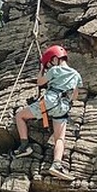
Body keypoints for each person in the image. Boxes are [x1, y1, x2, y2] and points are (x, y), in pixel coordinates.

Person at [12, 45, 82, 180]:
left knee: (19, 116)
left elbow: (40, 82)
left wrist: (42, 69)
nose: (50, 65)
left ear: (55, 59)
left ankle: (25, 146)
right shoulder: (76, 75)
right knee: (60, 138)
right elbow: (75, 95)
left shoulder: (54, 70)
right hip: (63, 107)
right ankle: (56, 164)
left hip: (49, 101)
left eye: (50, 62)